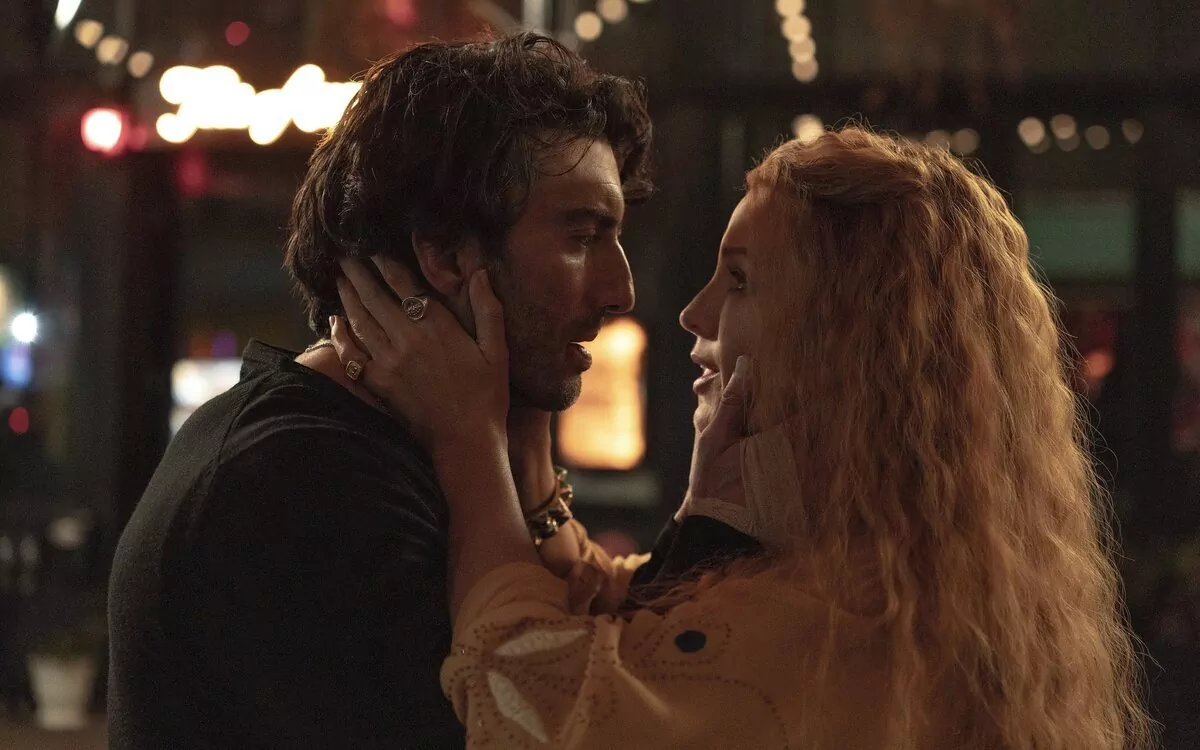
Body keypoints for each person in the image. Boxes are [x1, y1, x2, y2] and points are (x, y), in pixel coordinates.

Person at [331, 127, 1152, 748]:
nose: (695, 314)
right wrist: (531, 445)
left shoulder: (847, 615)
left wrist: (467, 441)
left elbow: (534, 698)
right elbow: (635, 626)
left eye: (741, 281)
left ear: (846, 338)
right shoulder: (890, 564)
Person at [106, 33, 651, 749]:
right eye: (582, 237)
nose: (620, 290)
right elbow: (533, 722)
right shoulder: (306, 483)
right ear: (445, 254)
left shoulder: (382, 450)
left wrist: (518, 444)